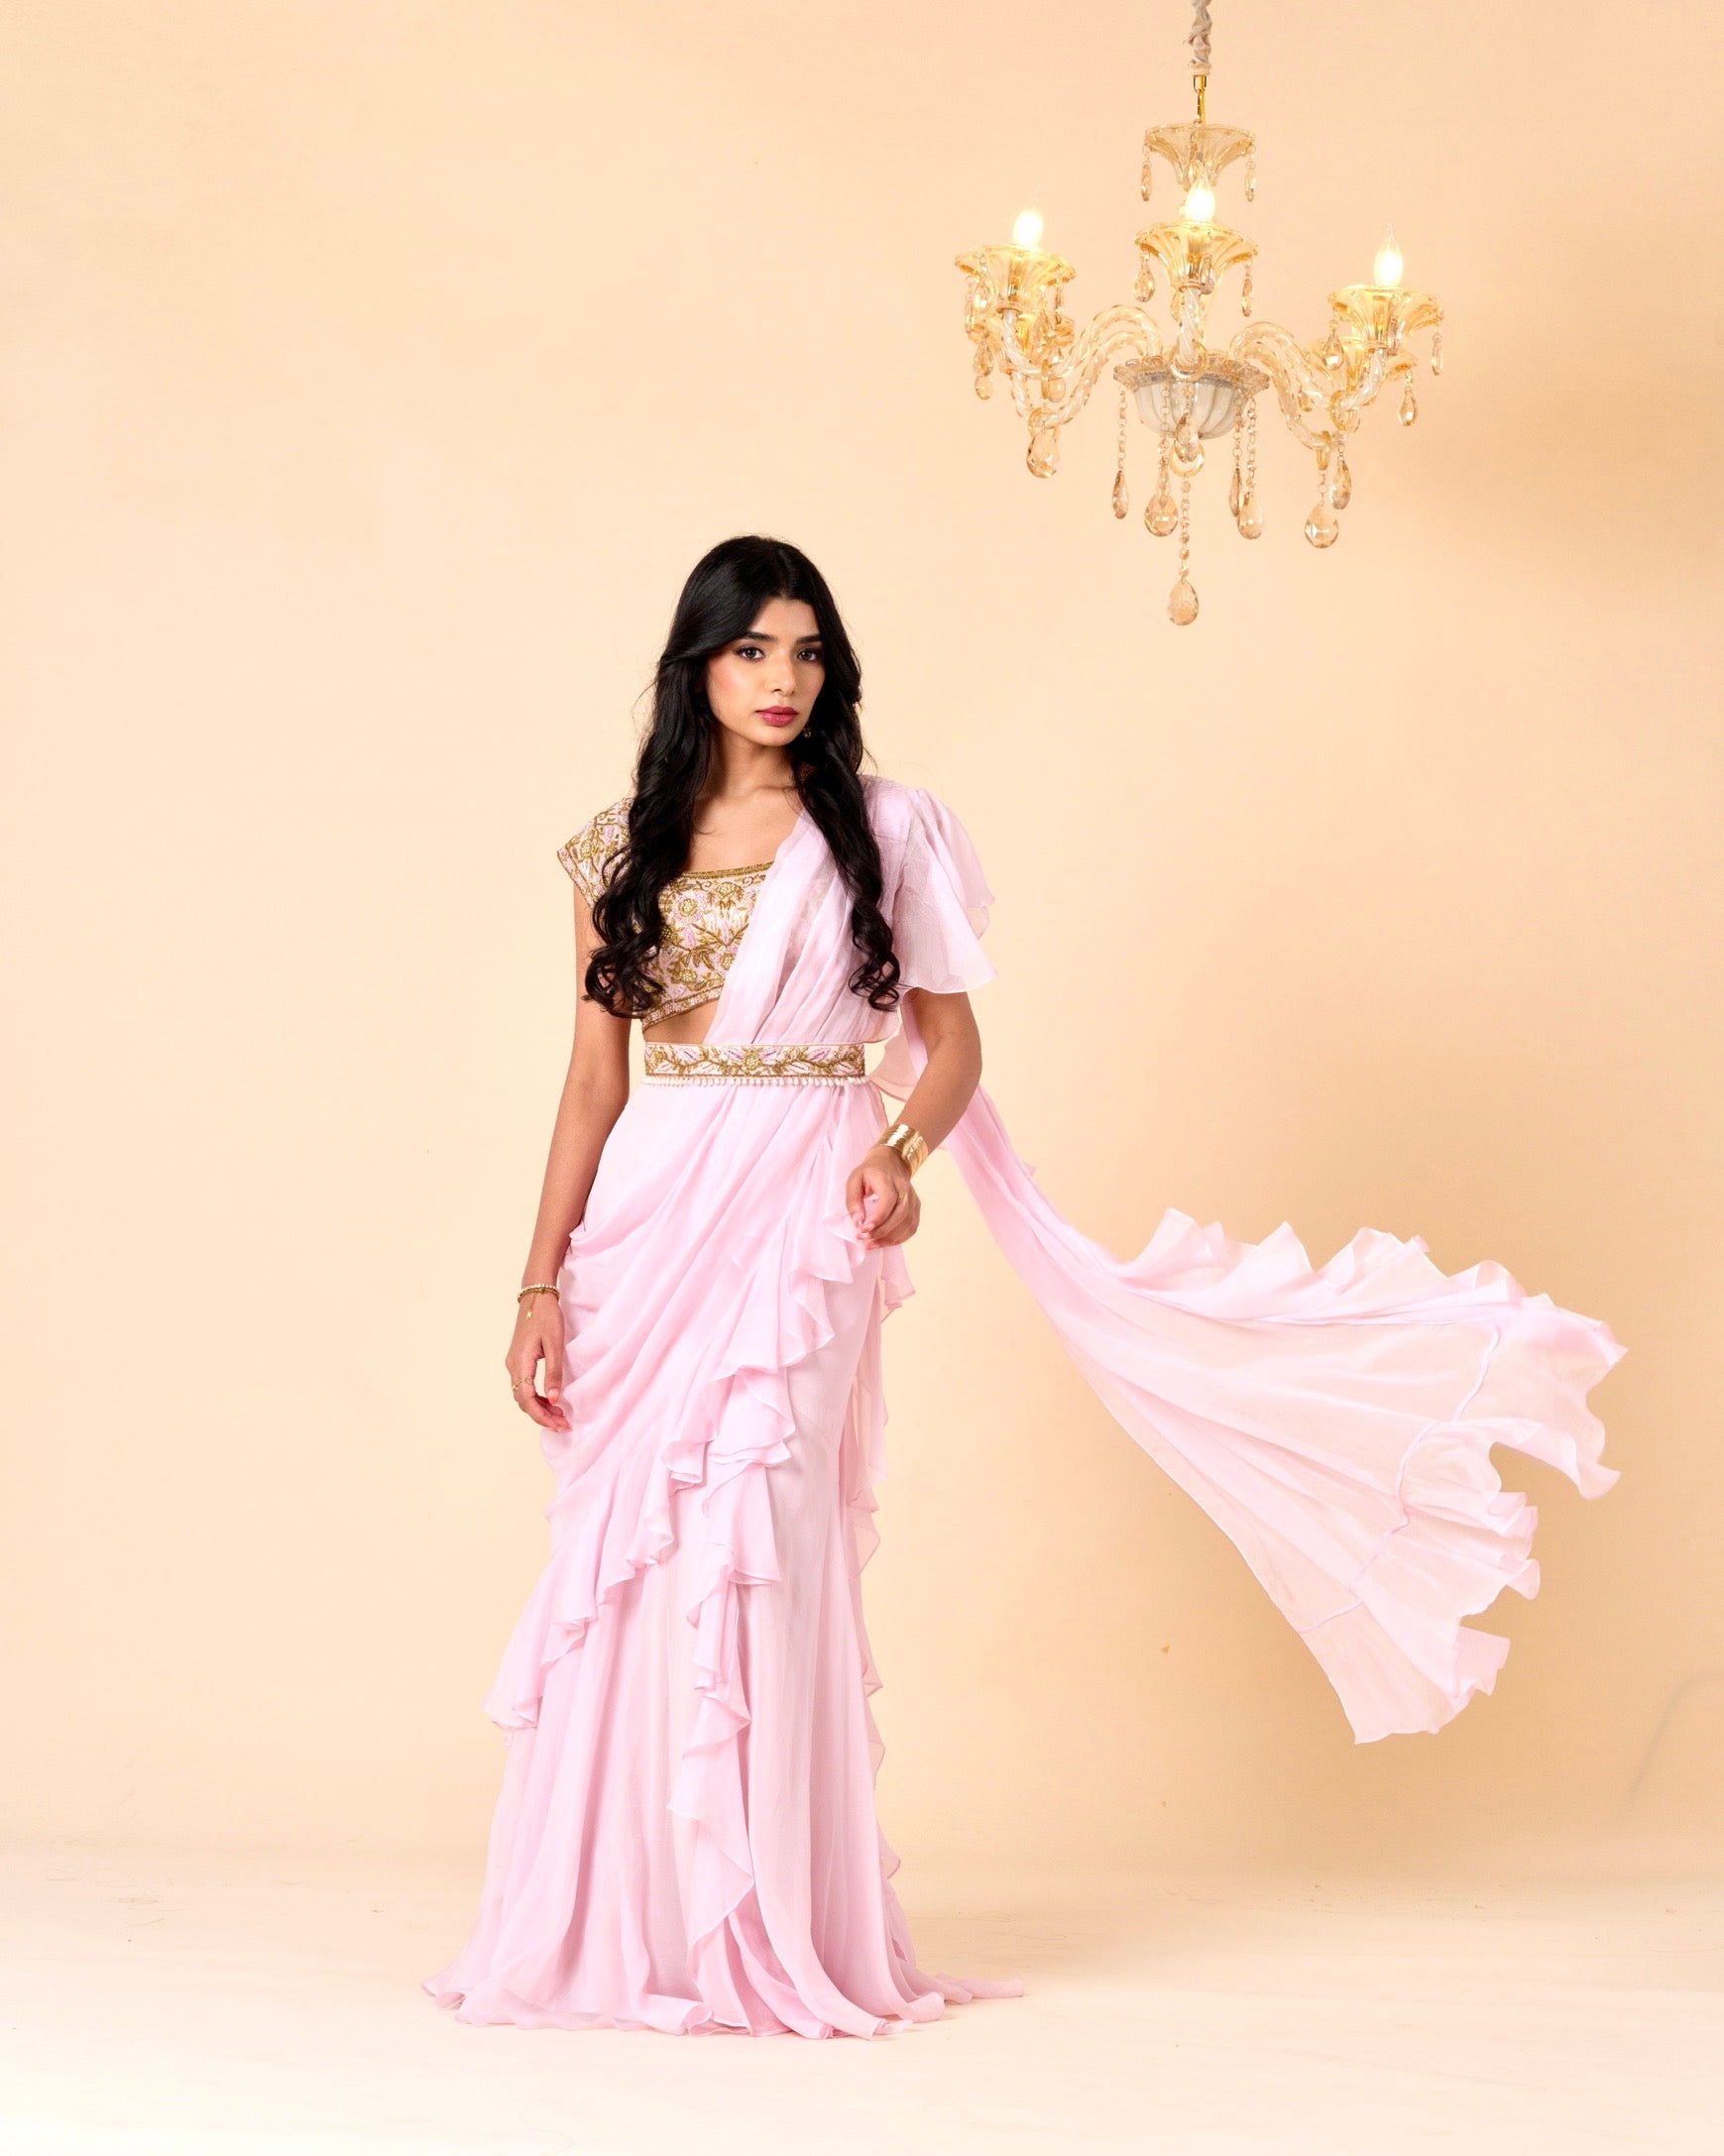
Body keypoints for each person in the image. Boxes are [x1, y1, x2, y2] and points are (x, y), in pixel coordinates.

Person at [423, 534, 1624, 2040]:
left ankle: (764, 1923)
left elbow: (955, 1048)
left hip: (803, 1207)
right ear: (699, 668)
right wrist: (538, 1282)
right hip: (648, 1226)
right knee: (635, 1558)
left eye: (807, 652)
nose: (784, 681)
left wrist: (898, 1156)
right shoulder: (619, 852)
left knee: (765, 1542)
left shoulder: (884, 831)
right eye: (753, 653)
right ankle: (631, 1923)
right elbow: (594, 1081)